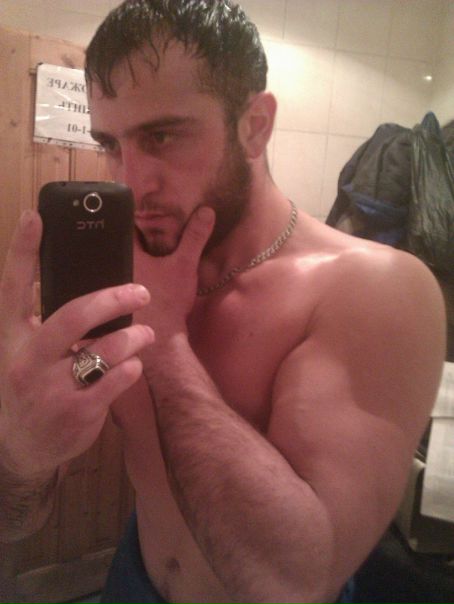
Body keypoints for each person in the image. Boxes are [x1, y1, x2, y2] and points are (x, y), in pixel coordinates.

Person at [0, 1, 446, 603]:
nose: (130, 180)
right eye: (110, 143)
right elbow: (15, 522)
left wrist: (166, 341)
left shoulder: (373, 289)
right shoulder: (121, 273)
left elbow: (292, 585)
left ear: (255, 125)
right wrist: (21, 453)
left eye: (161, 136)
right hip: (131, 579)